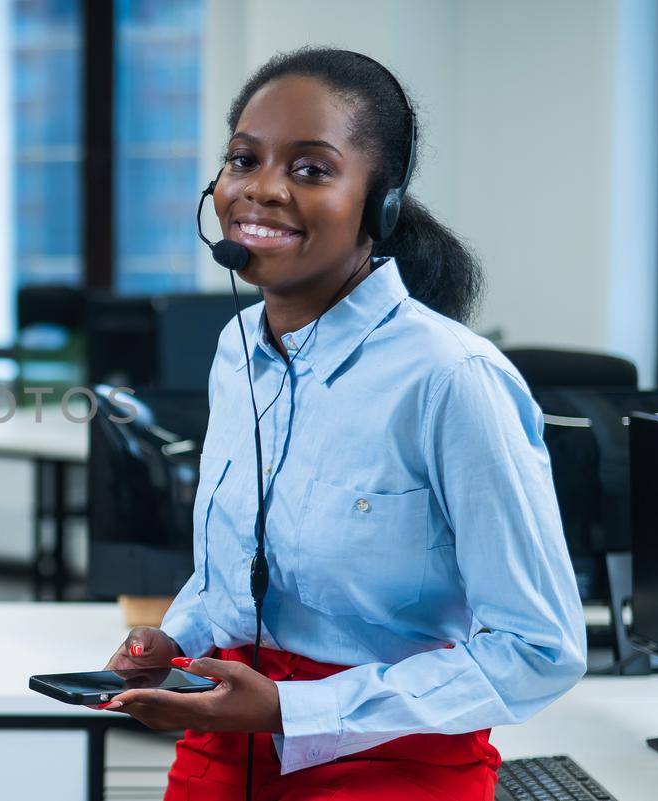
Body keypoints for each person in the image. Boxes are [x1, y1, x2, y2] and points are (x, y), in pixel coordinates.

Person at [97, 48, 585, 800]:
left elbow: (541, 647)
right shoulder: (237, 351)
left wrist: (299, 708)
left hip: (394, 756)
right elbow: (234, 564)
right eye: (243, 159)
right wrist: (177, 638)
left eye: (310, 169)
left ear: (380, 203)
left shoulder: (451, 378)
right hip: (227, 737)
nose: (261, 190)